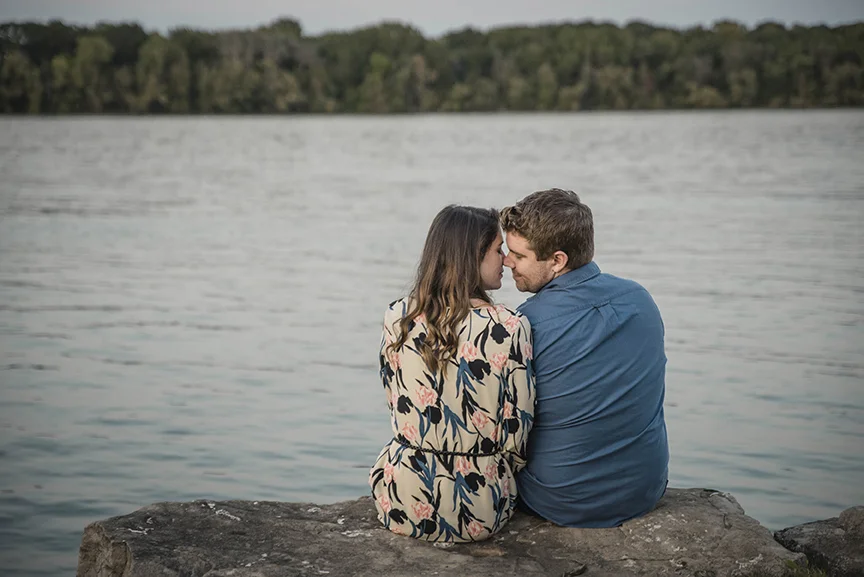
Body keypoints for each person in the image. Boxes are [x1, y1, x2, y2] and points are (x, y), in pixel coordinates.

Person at [500, 188, 669, 528]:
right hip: (644, 491)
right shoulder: (640, 299)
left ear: (557, 260)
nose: (507, 261)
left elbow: (506, 427)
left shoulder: (526, 323)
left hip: (558, 500)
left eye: (518, 255)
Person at [369, 205, 535, 542]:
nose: (504, 259)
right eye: (497, 249)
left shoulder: (398, 316)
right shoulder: (508, 327)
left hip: (399, 496)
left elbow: (394, 400)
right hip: (479, 506)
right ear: (470, 256)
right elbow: (517, 431)